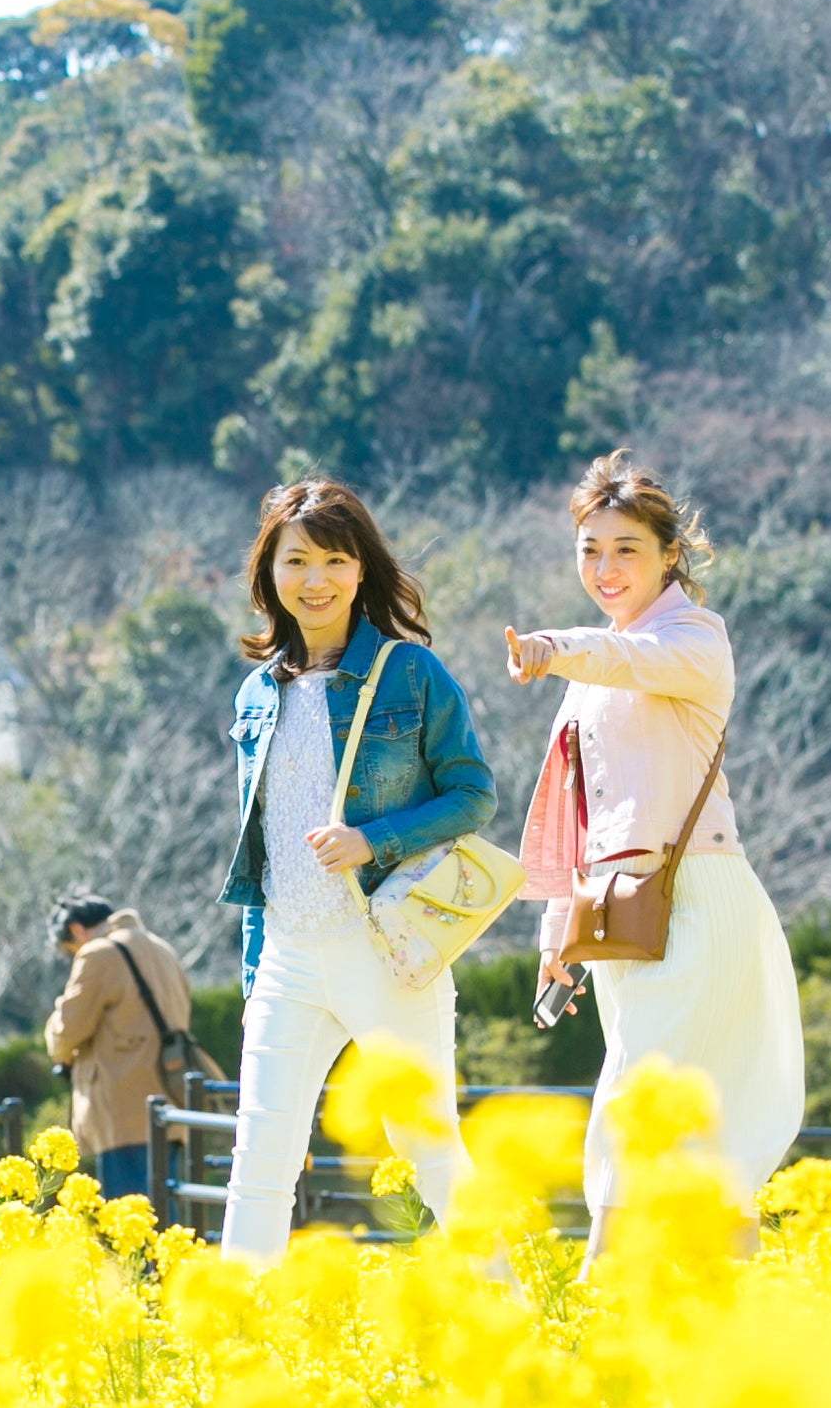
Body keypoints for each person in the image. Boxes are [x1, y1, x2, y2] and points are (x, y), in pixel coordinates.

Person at [507, 454, 804, 1254]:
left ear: (670, 554)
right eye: (590, 549)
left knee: (637, 1096)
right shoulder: (589, 665)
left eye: (626, 549)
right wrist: (554, 939)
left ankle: (601, 1303)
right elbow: (575, 815)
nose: (605, 569)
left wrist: (550, 645)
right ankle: (726, 1318)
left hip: (698, 900)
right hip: (622, 918)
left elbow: (631, 661)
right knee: (696, 1121)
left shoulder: (694, 638)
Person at [214, 477, 494, 1265]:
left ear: (361, 570)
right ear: (270, 573)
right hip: (288, 956)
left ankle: (515, 1310)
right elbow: (260, 846)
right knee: (257, 1166)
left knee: (431, 1153)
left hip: (383, 949)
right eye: (297, 561)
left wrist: (375, 839)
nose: (316, 581)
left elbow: (474, 794)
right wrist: (253, 973)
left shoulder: (411, 674)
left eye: (335, 560)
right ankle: (230, 1341)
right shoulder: (256, 693)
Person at [42, 896, 194, 1204]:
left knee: (129, 1223)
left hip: (123, 1110)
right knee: (166, 1216)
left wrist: (55, 1024)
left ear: (76, 930)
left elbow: (67, 1031)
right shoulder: (163, 950)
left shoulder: (98, 954)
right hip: (172, 1102)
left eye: (69, 949)